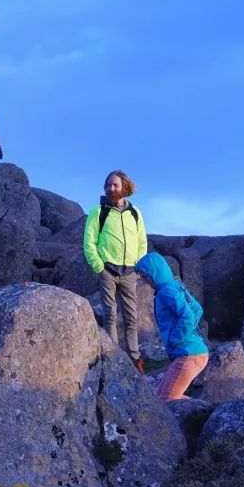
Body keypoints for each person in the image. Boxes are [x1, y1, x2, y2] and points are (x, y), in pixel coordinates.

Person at [83, 170, 148, 374]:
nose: (111, 188)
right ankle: (113, 357)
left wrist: (138, 266)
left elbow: (142, 242)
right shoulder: (98, 211)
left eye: (115, 185)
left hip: (130, 272)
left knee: (131, 317)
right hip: (107, 271)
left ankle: (135, 358)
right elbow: (89, 241)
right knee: (109, 315)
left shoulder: (134, 213)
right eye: (108, 185)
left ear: (124, 187)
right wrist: (99, 267)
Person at [134, 252, 209, 401]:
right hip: (192, 352)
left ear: (154, 273)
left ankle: (207, 411)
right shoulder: (175, 285)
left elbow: (188, 316)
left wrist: (175, 339)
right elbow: (197, 309)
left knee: (166, 399)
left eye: (144, 276)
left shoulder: (166, 292)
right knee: (159, 398)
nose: (143, 280)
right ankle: (203, 410)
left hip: (189, 354)